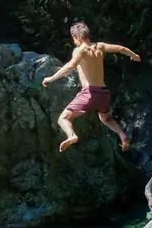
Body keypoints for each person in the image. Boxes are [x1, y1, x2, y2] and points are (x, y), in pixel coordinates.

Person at [41, 22, 140, 152]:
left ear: (76, 38)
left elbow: (70, 66)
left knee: (63, 118)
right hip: (104, 93)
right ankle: (122, 135)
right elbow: (120, 49)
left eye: (74, 39)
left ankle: (71, 136)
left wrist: (50, 78)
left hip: (90, 93)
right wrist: (133, 55)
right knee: (105, 118)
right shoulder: (99, 46)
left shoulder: (80, 50)